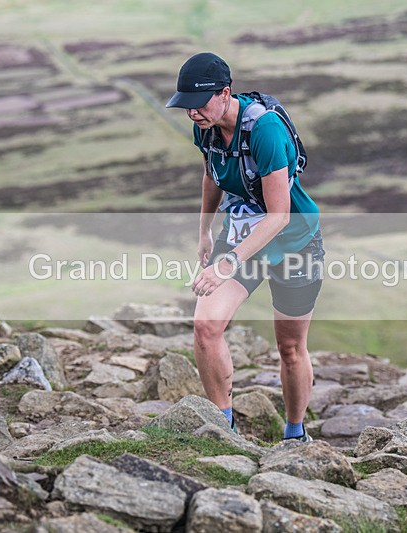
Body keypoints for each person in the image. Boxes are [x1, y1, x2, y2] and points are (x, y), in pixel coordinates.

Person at [166, 52, 324, 442]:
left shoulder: (266, 130)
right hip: (241, 232)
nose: (192, 113)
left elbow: (279, 215)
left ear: (225, 93)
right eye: (185, 105)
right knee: (206, 325)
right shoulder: (205, 127)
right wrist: (204, 231)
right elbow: (212, 176)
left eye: (199, 104)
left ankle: (294, 433)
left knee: (290, 347)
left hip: (294, 241)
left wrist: (227, 263)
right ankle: (224, 427)